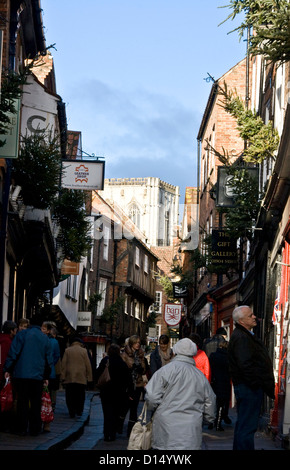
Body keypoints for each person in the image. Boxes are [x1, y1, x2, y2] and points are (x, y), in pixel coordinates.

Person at [145, 338, 216, 450]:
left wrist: (156, 410)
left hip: (165, 426)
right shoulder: (199, 376)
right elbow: (210, 402)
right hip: (191, 429)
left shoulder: (164, 371)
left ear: (175, 352)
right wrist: (205, 420)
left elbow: (152, 396)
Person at [228, 305, 275, 450]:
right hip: (248, 388)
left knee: (243, 425)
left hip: (248, 387)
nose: (254, 317)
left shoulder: (243, 335)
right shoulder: (242, 337)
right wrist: (256, 383)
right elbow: (245, 364)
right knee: (247, 427)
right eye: (250, 315)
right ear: (242, 321)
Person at [3, 317, 54, 436]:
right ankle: (35, 428)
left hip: (21, 374)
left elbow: (13, 353)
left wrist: (8, 369)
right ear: (40, 325)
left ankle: (21, 427)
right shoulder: (44, 338)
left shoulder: (21, 335)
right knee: (36, 402)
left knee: (22, 401)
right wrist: (46, 376)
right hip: (37, 376)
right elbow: (49, 359)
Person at [96, 343, 133, 442]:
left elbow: (98, 373)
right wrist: (129, 392)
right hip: (119, 393)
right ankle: (112, 434)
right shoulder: (122, 362)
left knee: (107, 413)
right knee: (115, 413)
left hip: (106, 392)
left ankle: (106, 433)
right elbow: (128, 379)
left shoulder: (105, 361)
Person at [60, 337, 93, 418]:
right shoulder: (84, 351)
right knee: (80, 395)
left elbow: (63, 364)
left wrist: (62, 377)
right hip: (81, 377)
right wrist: (89, 378)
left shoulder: (67, 350)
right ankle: (79, 410)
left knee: (70, 395)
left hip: (69, 377)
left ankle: (71, 411)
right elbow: (88, 365)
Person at [121, 335, 146, 436]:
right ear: (131, 343)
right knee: (125, 407)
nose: (138, 344)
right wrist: (131, 368)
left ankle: (130, 431)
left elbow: (144, 368)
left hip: (138, 384)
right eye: (136, 343)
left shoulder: (140, 354)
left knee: (134, 408)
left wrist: (141, 368)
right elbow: (122, 369)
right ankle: (119, 427)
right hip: (128, 384)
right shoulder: (124, 354)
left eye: (139, 343)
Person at [41, 321, 61, 431]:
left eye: (44, 329)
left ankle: (45, 420)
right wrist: (51, 363)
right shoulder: (54, 342)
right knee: (48, 395)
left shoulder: (49, 341)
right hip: (49, 371)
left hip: (43, 371)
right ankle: (47, 418)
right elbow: (56, 356)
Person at [209, 340, 232, 430]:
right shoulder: (228, 358)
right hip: (225, 382)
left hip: (214, 381)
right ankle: (218, 424)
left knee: (214, 403)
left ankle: (211, 422)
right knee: (222, 404)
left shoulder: (213, 356)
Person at [0, 321, 17, 431]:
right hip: (3, 375)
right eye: (15, 330)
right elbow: (6, 359)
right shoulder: (8, 342)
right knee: (5, 400)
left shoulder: (2, 339)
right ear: (11, 331)